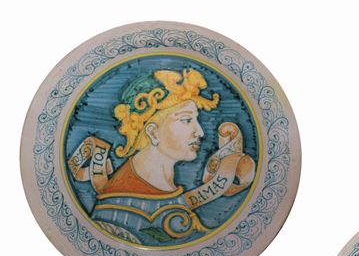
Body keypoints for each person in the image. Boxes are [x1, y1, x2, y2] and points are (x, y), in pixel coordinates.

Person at [68, 68, 255, 245]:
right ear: (153, 132)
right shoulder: (115, 212)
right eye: (186, 120)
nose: (200, 132)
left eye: (195, 120)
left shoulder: (161, 190)